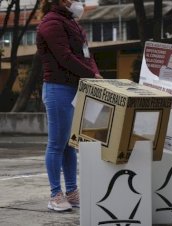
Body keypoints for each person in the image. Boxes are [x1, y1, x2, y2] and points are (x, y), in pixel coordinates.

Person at [37, 0, 102, 212]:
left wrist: (95, 73)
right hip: (58, 89)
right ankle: (55, 194)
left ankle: (72, 192)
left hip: (75, 88)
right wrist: (91, 74)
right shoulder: (51, 23)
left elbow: (86, 54)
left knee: (70, 144)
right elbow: (64, 57)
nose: (80, 2)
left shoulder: (72, 23)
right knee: (57, 143)